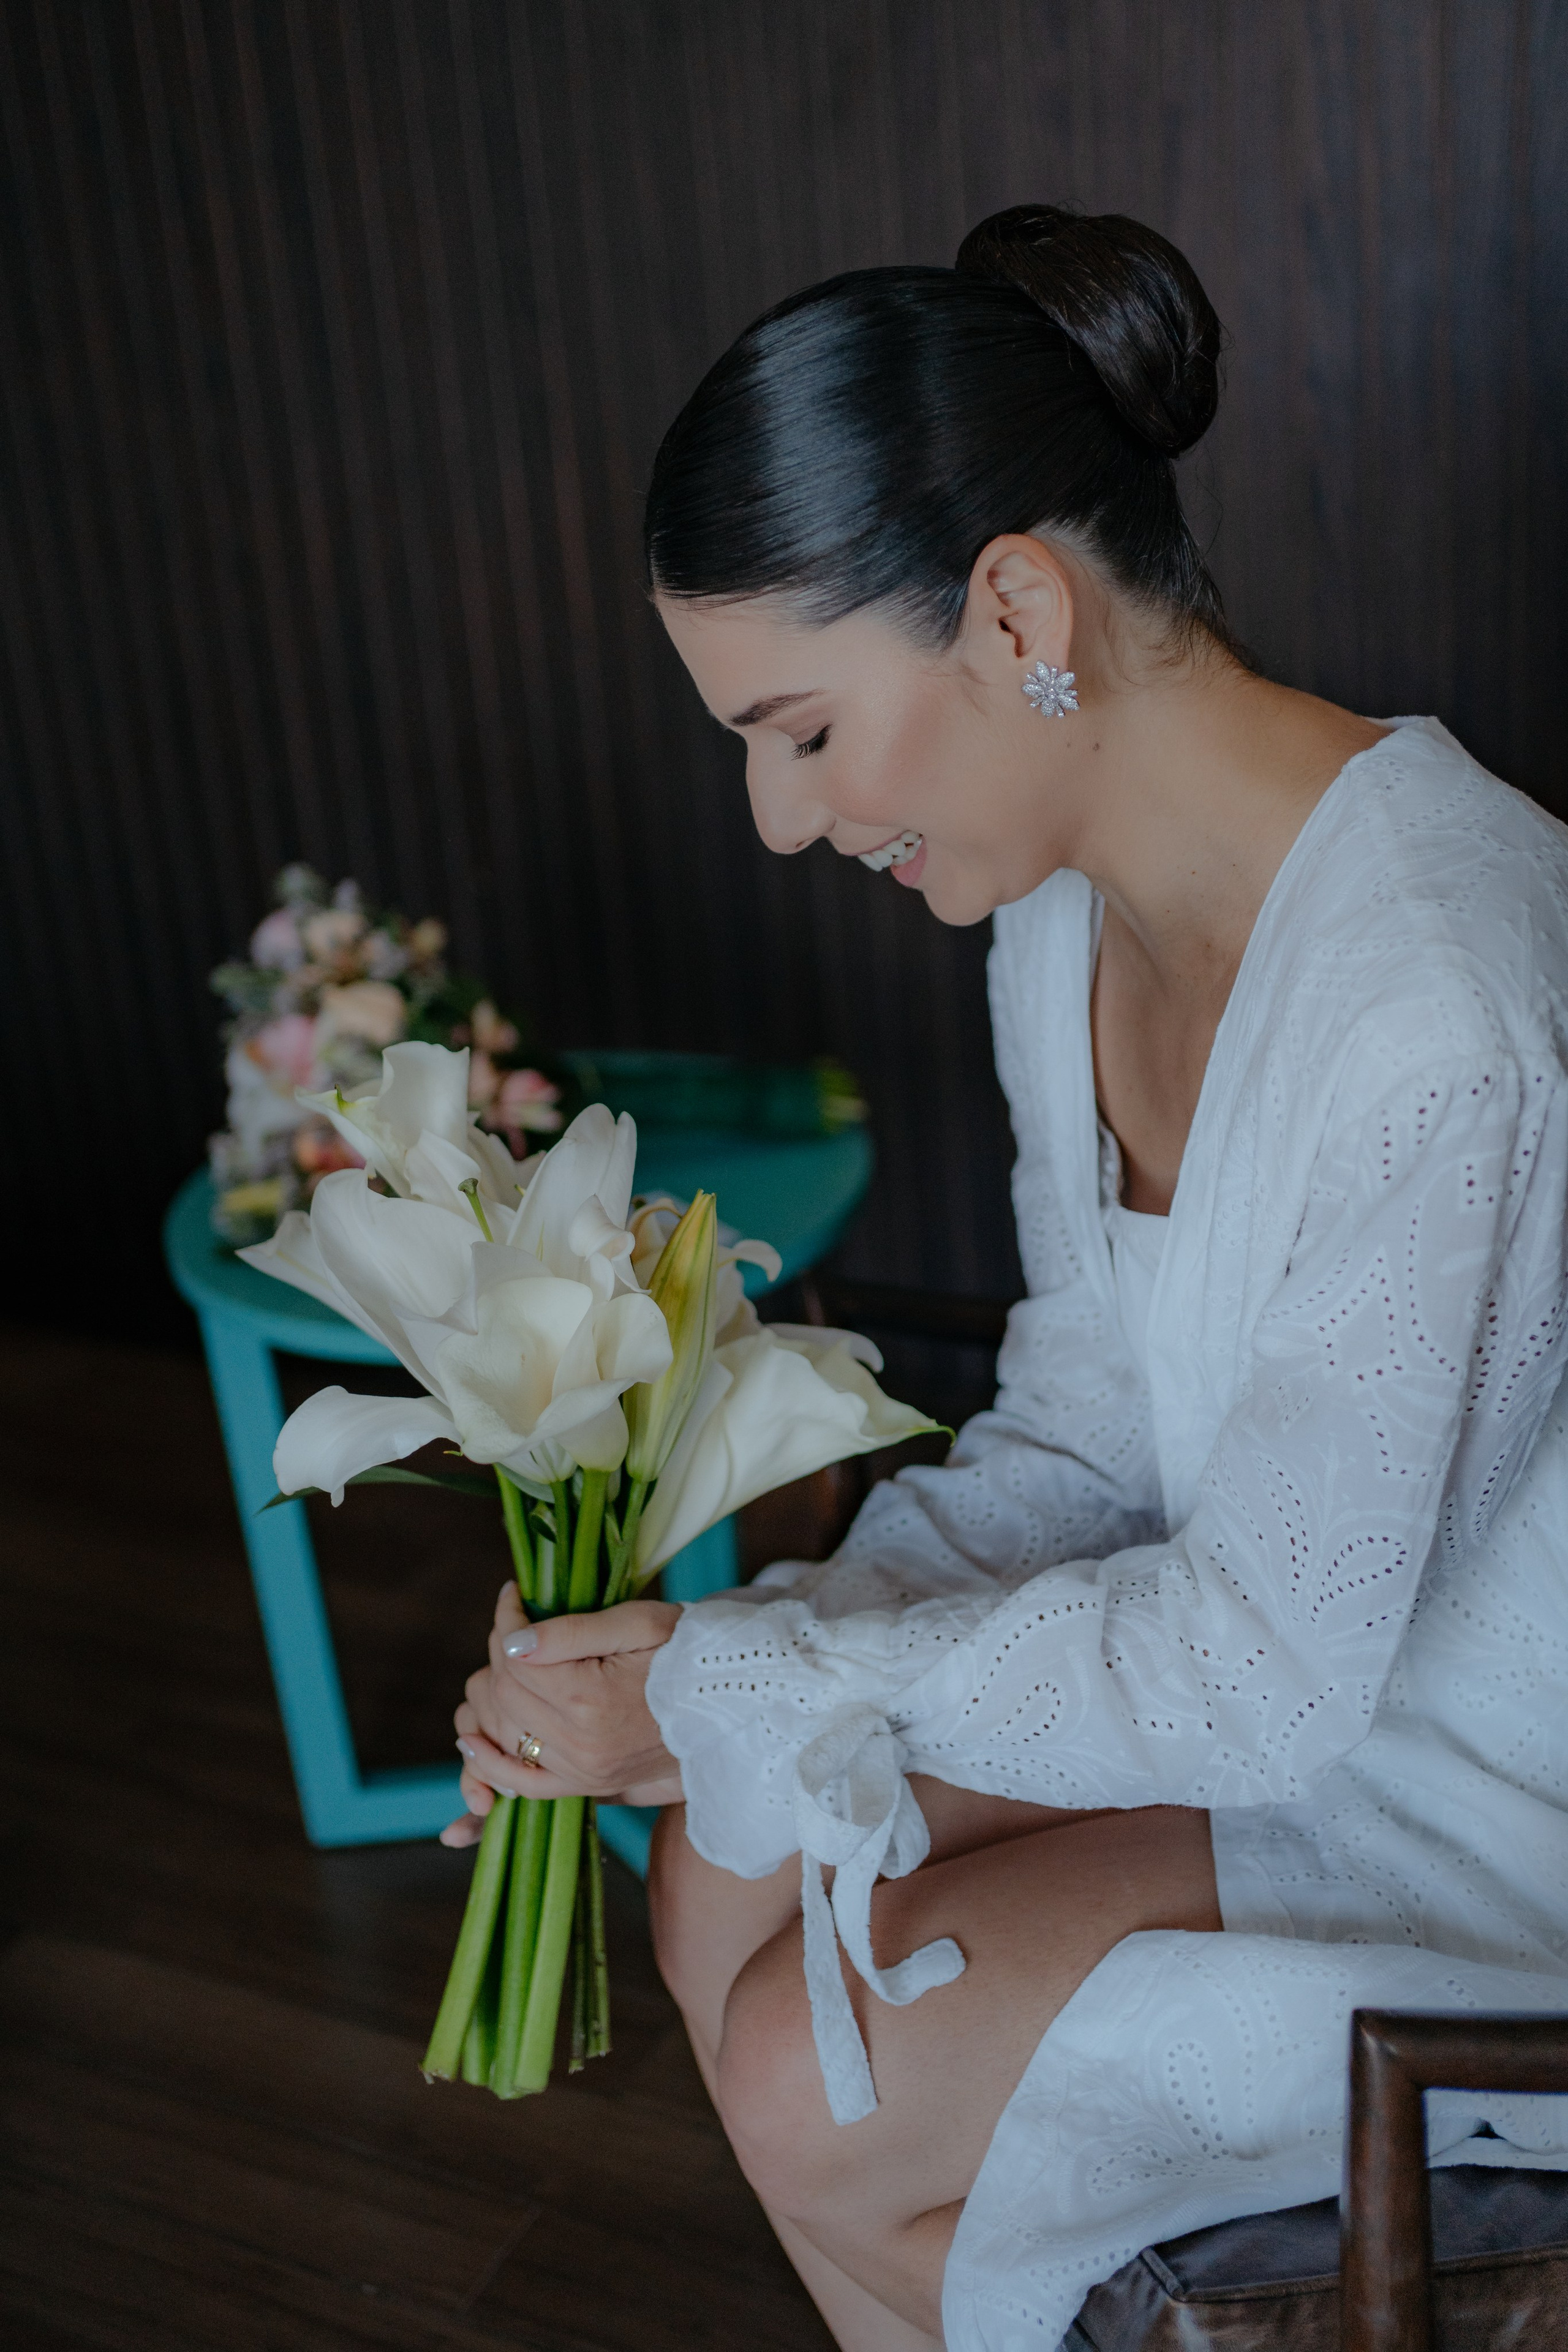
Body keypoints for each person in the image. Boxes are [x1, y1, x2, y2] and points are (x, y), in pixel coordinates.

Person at [443, 206, 1568, 2350]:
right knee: (725, 1864)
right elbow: (1084, 1427)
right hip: (1263, 1653)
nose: (777, 820)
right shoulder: (1057, 922)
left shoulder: (1440, 1009)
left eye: (800, 730)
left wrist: (738, 1688)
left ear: (1018, 608)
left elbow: (1277, 1679)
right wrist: (720, 1663)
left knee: (813, 2067)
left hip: (1475, 1775)